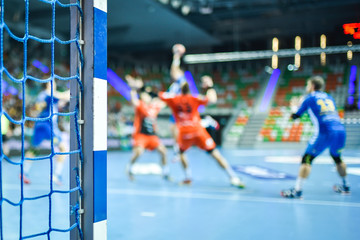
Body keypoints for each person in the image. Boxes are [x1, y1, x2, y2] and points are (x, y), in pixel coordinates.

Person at [159, 77, 245, 188]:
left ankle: (188, 177)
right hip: (198, 131)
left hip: (184, 134)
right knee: (215, 154)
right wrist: (210, 86)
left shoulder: (174, 99)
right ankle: (233, 177)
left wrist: (173, 87)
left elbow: (162, 95)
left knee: (181, 153)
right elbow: (212, 100)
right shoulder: (195, 98)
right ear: (189, 90)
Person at [281, 76, 350, 198]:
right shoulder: (329, 97)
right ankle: (345, 186)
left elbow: (295, 116)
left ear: (312, 86)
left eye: (308, 85)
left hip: (325, 132)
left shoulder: (309, 98)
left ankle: (297, 190)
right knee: (337, 158)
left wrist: (293, 106)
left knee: (307, 159)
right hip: (340, 130)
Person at [21, 81, 69, 185]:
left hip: (39, 125)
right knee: (63, 148)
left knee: (34, 150)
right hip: (48, 126)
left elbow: (59, 100)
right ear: (49, 85)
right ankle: (56, 175)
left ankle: (24, 171)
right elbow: (64, 96)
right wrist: (74, 90)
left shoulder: (44, 95)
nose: (53, 85)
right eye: (52, 84)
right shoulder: (48, 94)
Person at [125, 75, 170, 181]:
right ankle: (130, 168)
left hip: (152, 136)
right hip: (141, 135)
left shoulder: (155, 106)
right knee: (138, 152)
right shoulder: (140, 105)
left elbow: (166, 102)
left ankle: (166, 172)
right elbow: (134, 100)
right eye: (144, 95)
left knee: (163, 152)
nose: (145, 96)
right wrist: (133, 88)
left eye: (147, 95)